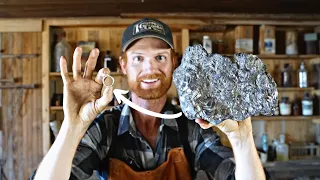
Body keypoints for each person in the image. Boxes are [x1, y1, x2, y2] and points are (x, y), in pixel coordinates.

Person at [31, 18, 268, 180]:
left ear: (175, 62)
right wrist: (72, 128)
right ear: (123, 65)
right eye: (138, 58)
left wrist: (242, 138)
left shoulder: (193, 128)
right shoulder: (106, 128)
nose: (151, 68)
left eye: (160, 57)